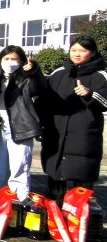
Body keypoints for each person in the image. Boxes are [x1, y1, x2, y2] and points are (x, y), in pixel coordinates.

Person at [41, 35, 107, 203]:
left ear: (93, 53)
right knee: (55, 180)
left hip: (84, 137)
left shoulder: (100, 76)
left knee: (82, 186)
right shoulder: (58, 73)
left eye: (82, 50)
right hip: (56, 135)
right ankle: (54, 216)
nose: (77, 54)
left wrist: (90, 93)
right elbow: (43, 101)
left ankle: (79, 217)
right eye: (73, 50)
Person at [0, 45, 46, 201]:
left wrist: (34, 71)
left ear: (21, 61)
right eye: (6, 58)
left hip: (21, 129)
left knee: (19, 170)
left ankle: (19, 203)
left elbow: (39, 89)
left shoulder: (26, 79)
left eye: (14, 59)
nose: (9, 62)